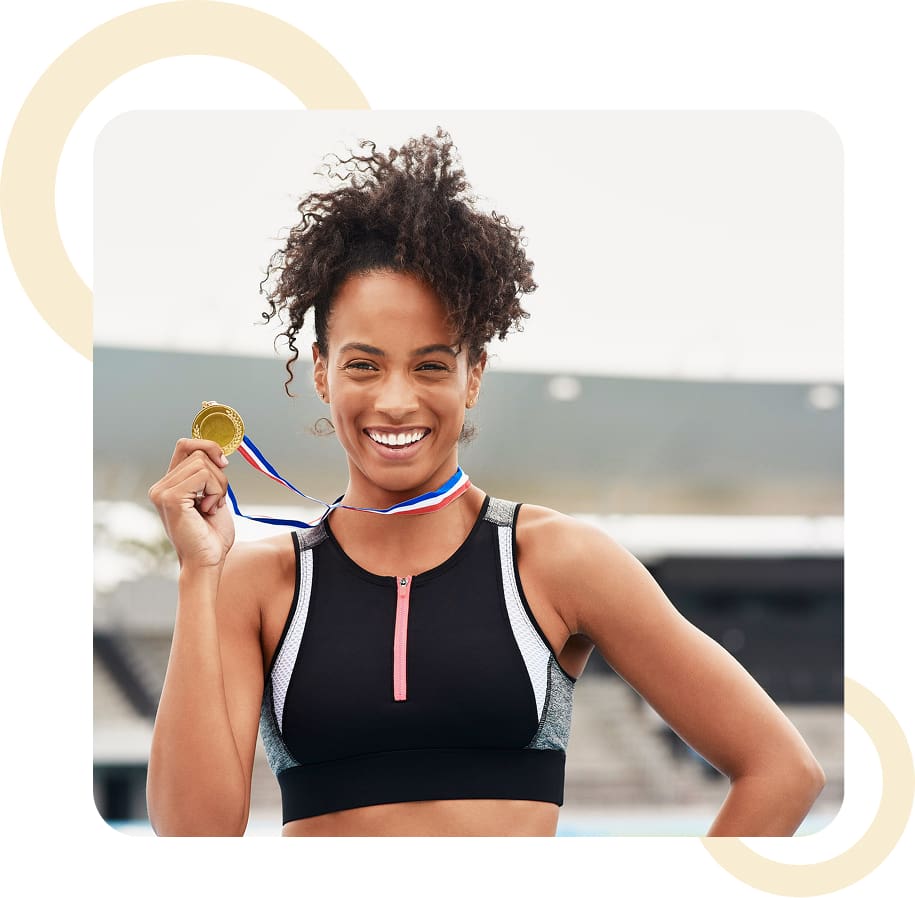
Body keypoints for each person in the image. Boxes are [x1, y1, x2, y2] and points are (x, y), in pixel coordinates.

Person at [146, 128, 825, 837]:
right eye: (363, 365)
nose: (397, 400)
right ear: (320, 370)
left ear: (474, 374)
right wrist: (199, 574)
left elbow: (780, 770)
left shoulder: (557, 559)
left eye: (432, 365)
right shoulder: (254, 584)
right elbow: (194, 842)